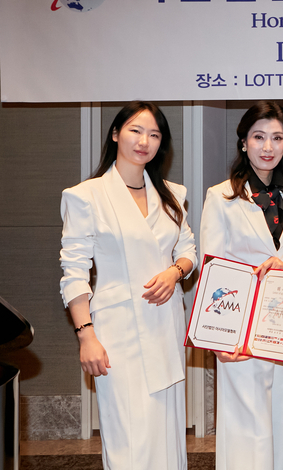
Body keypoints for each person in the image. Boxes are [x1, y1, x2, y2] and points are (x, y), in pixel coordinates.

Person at [59, 102, 197, 469]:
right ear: (116, 134)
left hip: (165, 326)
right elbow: (74, 272)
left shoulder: (171, 194)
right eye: (136, 130)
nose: (144, 141)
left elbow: (188, 251)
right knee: (128, 439)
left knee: (166, 432)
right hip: (117, 334)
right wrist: (86, 335)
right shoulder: (86, 195)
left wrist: (174, 272)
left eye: (154, 134)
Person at [200, 101, 283, 470]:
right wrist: (217, 337)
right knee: (246, 427)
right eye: (259, 137)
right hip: (240, 329)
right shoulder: (221, 196)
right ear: (244, 142)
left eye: (277, 138)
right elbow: (211, 268)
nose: (268, 147)